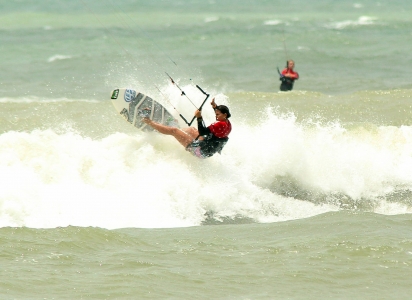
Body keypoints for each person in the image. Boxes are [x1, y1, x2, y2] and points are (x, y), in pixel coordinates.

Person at [142, 98, 232, 159]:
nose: (216, 117)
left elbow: (202, 132)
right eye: (216, 114)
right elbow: (219, 116)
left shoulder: (220, 125)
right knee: (191, 129)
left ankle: (148, 121)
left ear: (225, 115)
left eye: (218, 115)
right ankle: (169, 130)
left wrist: (199, 117)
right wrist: (215, 107)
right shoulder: (227, 123)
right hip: (207, 146)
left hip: (200, 151)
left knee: (174, 131)